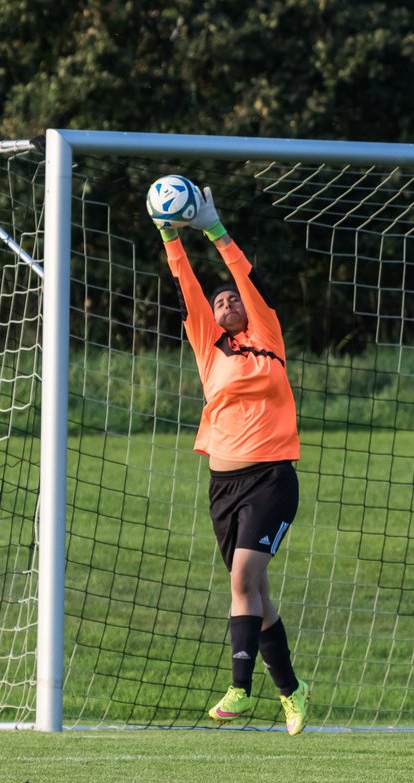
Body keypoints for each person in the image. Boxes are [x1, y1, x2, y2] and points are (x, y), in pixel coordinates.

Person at [152, 181, 311, 735]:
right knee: (254, 594)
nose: (225, 303)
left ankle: (240, 691)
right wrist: (169, 233)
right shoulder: (207, 345)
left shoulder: (268, 337)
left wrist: (214, 227)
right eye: (219, 302)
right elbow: (186, 284)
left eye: (233, 299)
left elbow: (244, 277)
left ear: (250, 309)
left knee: (244, 577)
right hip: (222, 486)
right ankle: (292, 692)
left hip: (271, 479)